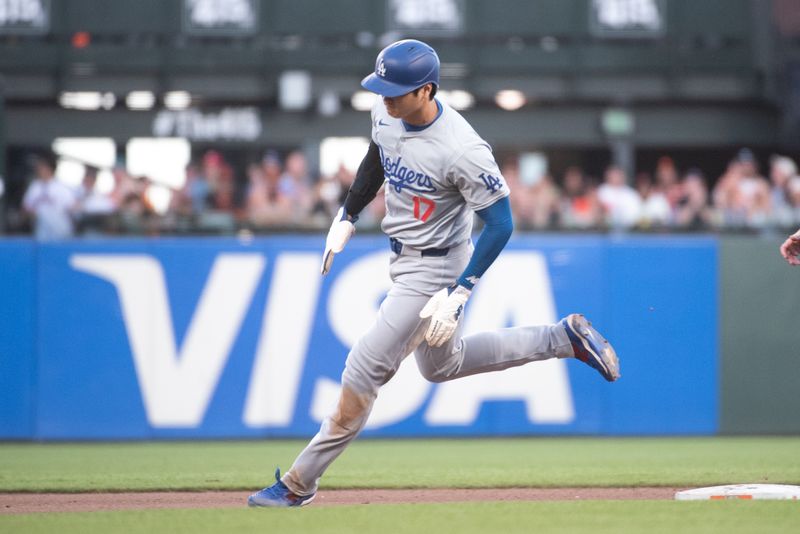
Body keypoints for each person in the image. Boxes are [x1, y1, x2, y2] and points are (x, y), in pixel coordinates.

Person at [247, 39, 620, 508]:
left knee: (363, 367)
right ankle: (563, 338)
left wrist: (461, 289)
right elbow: (377, 158)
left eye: (396, 89)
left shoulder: (463, 148)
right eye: (381, 86)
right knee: (441, 365)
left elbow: (501, 222)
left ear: (426, 90)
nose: (385, 97)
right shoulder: (386, 114)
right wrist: (348, 213)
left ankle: (298, 484)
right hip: (404, 258)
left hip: (439, 265)